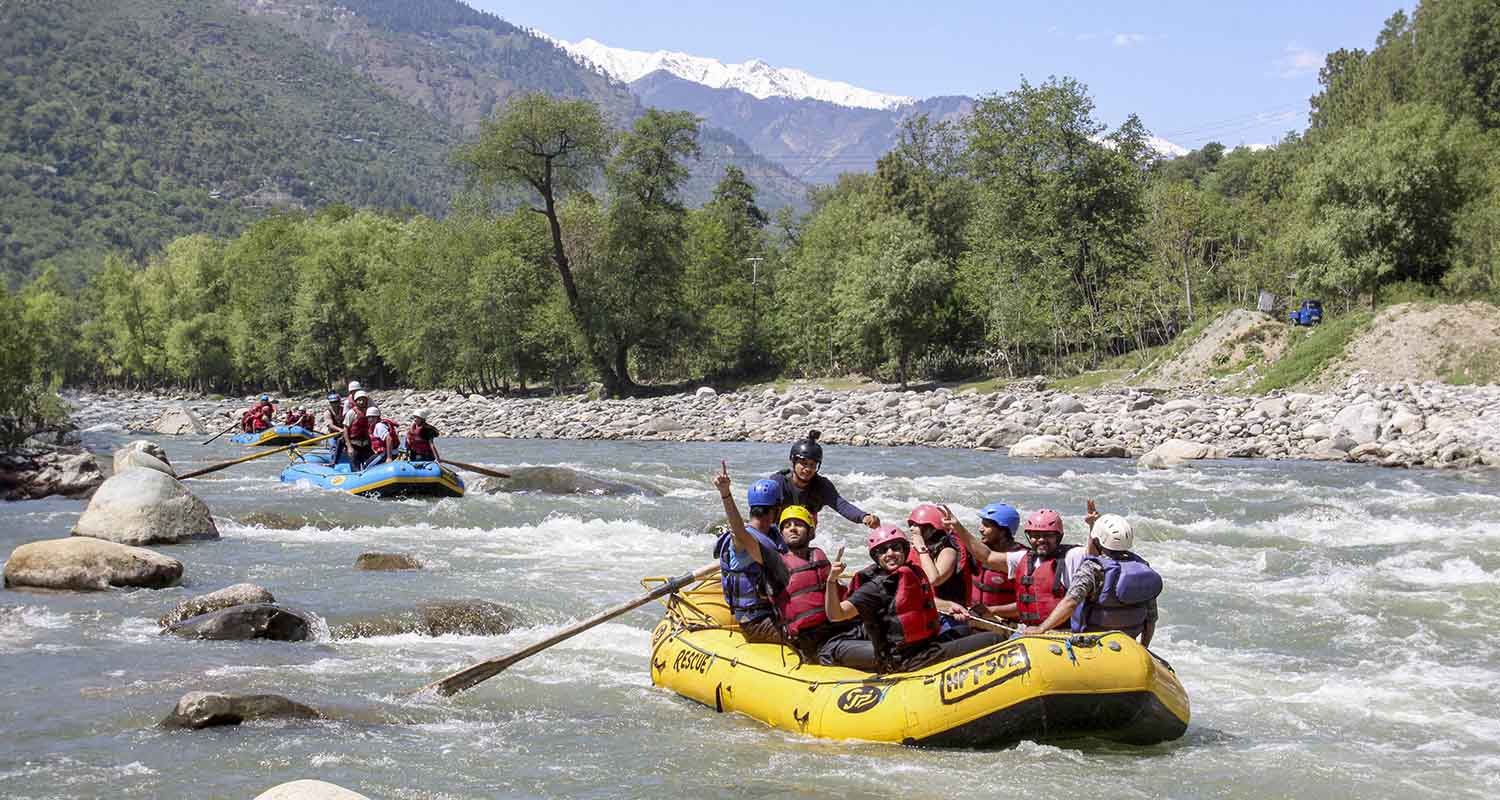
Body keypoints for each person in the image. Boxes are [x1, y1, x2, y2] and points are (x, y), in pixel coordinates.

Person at [820, 525, 1004, 673]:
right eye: (883, 551)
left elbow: (915, 603)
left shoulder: (911, 572)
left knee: (968, 631)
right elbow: (836, 615)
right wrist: (831, 581)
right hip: (907, 659)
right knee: (995, 639)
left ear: (905, 550)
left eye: (896, 548)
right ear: (876, 557)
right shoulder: (873, 588)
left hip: (925, 646)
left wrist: (949, 606)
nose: (890, 553)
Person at [1028, 514, 1163, 645]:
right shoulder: (1143, 567)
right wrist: (1144, 647)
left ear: (1098, 541)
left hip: (1092, 642)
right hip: (1127, 643)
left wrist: (1041, 629)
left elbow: (1070, 602)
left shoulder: (1093, 568)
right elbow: (1151, 618)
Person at [711, 464, 790, 645]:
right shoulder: (743, 539)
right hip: (755, 621)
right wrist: (725, 494)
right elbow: (739, 531)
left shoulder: (774, 534)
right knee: (806, 636)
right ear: (776, 509)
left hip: (777, 612)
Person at [766, 430, 879, 529]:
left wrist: (864, 516)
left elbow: (841, 505)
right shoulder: (778, 482)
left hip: (802, 535)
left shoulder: (821, 485)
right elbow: (760, 511)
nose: (808, 469)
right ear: (793, 461)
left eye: (812, 465)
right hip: (775, 531)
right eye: (804, 463)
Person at [945, 502, 1024, 620]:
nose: (980, 529)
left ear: (1003, 531)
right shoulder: (976, 550)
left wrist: (992, 611)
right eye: (982, 524)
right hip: (974, 618)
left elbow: (1028, 605)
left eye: (986, 525)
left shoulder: (1021, 560)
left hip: (1005, 623)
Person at [341, 391, 372, 469]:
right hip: (354, 444)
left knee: (370, 464)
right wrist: (349, 447)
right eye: (359, 400)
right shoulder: (351, 413)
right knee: (355, 467)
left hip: (366, 444)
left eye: (363, 400)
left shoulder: (369, 412)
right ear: (355, 402)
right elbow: (345, 429)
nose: (361, 402)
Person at [324, 392, 346, 461]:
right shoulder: (328, 413)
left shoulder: (344, 410)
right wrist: (340, 430)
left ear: (339, 402)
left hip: (344, 433)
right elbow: (330, 425)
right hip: (333, 434)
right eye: (332, 402)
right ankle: (333, 461)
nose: (334, 404)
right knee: (333, 447)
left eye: (336, 402)